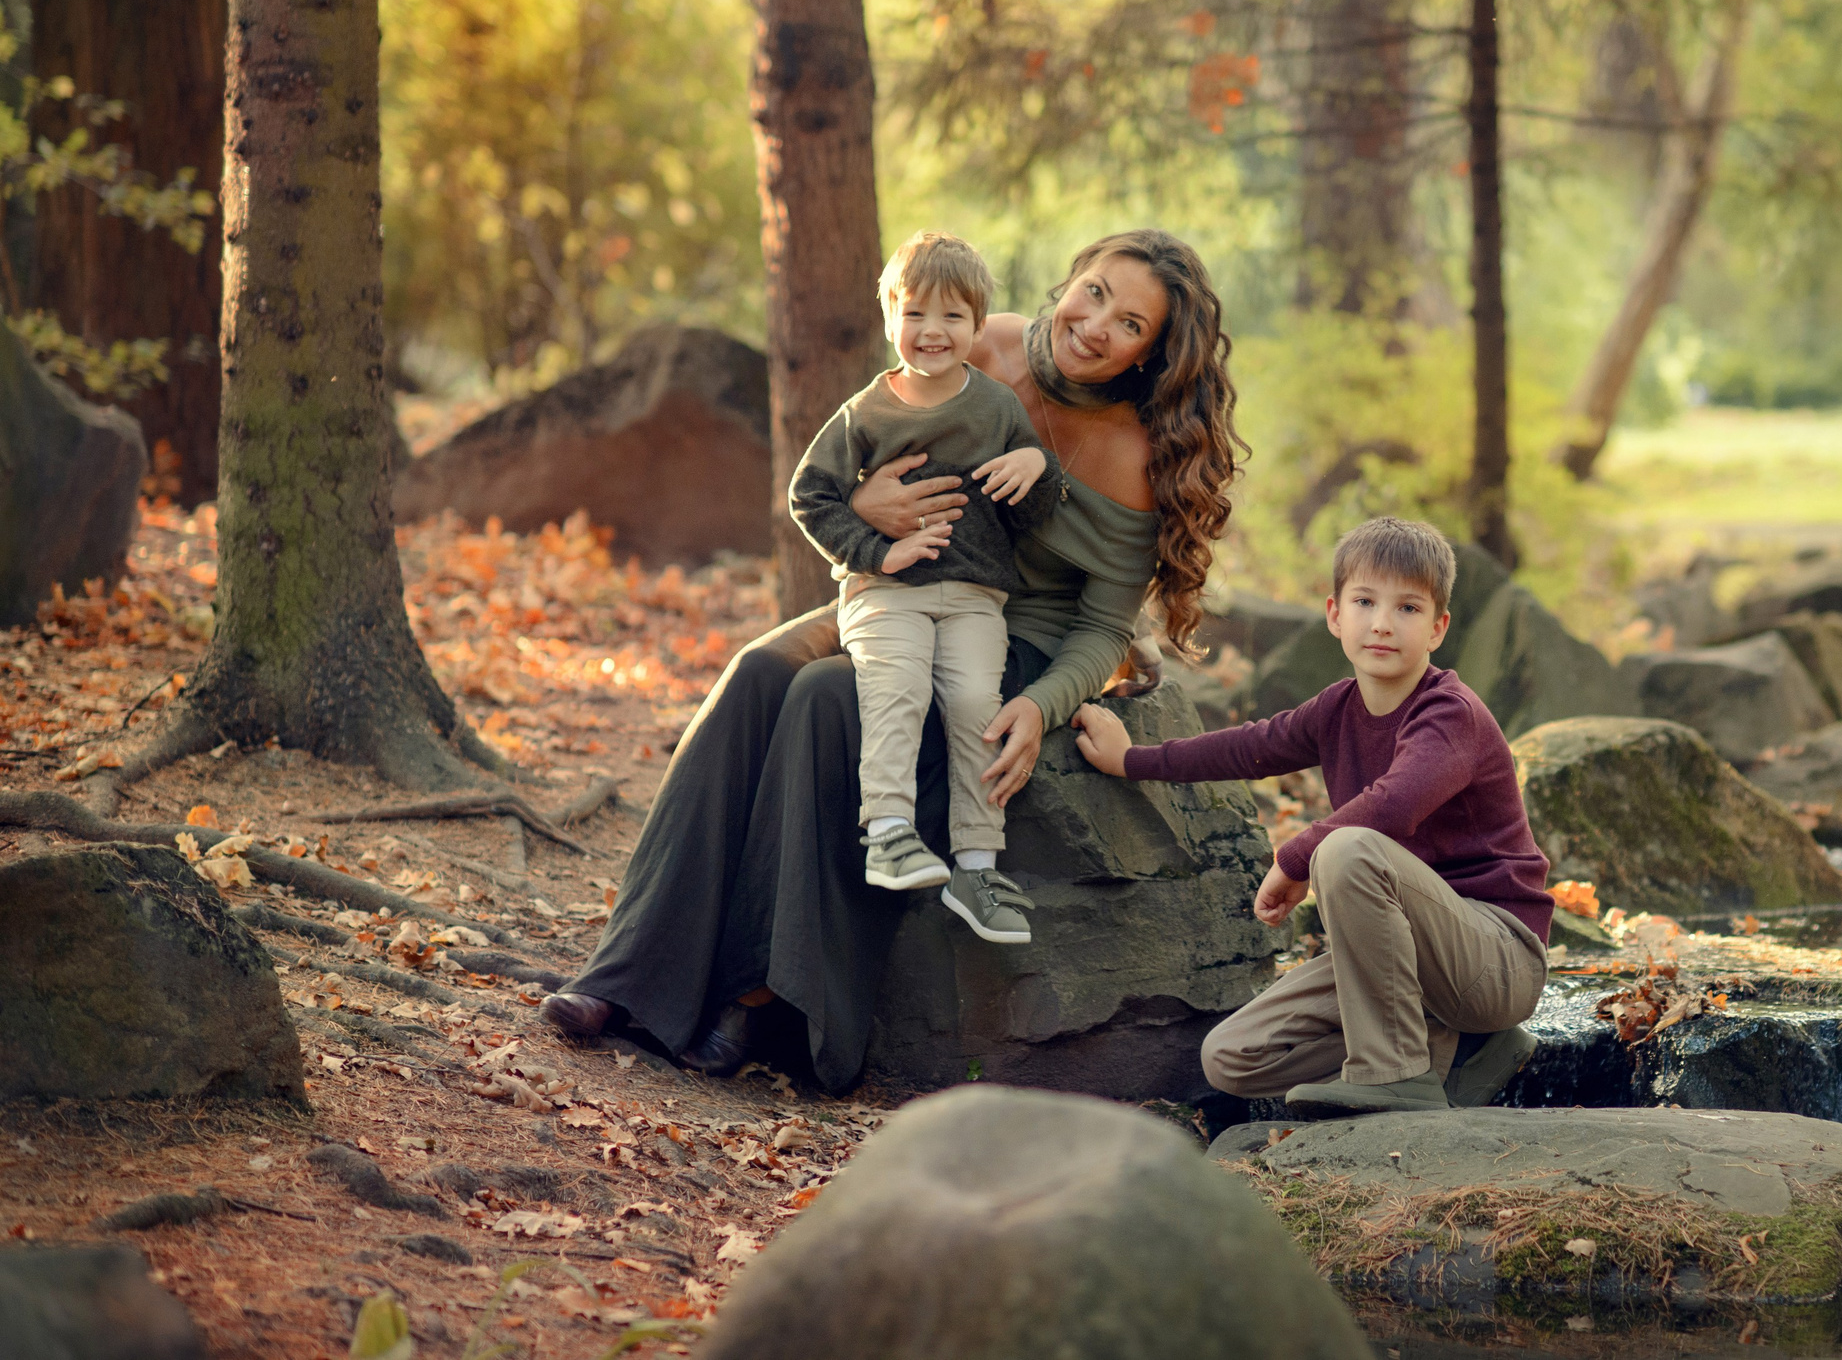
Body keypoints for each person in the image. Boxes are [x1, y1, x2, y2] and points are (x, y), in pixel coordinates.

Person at [541, 230, 1241, 1092]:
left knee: (833, 699)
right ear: (1071, 280)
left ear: (1151, 354)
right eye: (1094, 292)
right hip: (900, 586)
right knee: (762, 670)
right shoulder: (980, 342)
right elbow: (856, 460)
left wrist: (1043, 705)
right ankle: (629, 974)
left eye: (1128, 322)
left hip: (1007, 637)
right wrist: (869, 510)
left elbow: (1102, 632)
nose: (1095, 324)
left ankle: (766, 1000)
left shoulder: (1132, 455)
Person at [1072, 517, 1550, 1117]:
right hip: (1411, 964)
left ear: (1438, 628)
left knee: (1346, 849)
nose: (1381, 622)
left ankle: (1394, 1076)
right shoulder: (1338, 708)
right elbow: (1248, 747)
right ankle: (1458, 1055)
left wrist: (1294, 859)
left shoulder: (1450, 714)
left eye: (1407, 607)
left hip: (1495, 958)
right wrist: (1132, 760)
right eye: (1365, 602)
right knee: (1231, 1056)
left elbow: (1395, 804)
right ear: (1334, 615)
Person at [789, 232, 1063, 945]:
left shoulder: (998, 408)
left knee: (977, 701)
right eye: (915, 314)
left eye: (952, 317)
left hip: (975, 596)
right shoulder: (866, 412)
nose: (932, 331)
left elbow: (1029, 513)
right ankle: (887, 832)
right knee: (897, 685)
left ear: (978, 327)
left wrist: (1038, 465)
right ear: (888, 318)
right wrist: (879, 552)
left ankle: (976, 866)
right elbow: (810, 497)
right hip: (887, 593)